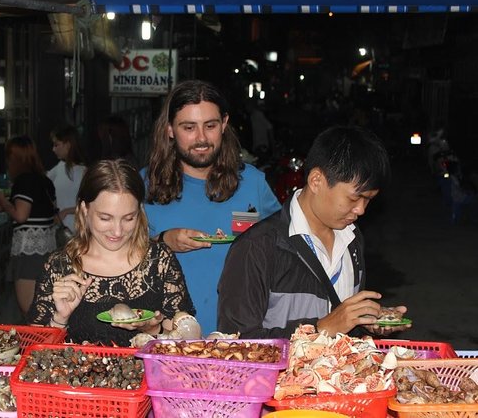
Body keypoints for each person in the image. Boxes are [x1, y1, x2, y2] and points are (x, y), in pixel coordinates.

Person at [218, 125, 410, 338]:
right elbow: (236, 344)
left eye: (368, 200)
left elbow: (342, 330)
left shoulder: (352, 240)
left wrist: (364, 322)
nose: (361, 210)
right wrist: (319, 330)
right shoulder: (256, 247)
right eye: (355, 198)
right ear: (316, 180)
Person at [142, 80, 281, 333]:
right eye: (188, 127)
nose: (202, 138)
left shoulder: (253, 184)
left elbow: (286, 251)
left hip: (243, 341)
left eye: (210, 126)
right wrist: (162, 241)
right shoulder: (142, 187)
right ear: (170, 129)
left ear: (224, 124)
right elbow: (113, 259)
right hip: (167, 342)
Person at [28, 159, 195, 346]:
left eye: (128, 218)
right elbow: (34, 351)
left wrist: (153, 330)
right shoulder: (58, 266)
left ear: (139, 212)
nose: (117, 231)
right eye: (105, 218)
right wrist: (60, 318)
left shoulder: (159, 261)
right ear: (84, 210)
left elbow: (186, 344)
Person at [0, 135, 56, 316]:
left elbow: (20, 215)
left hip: (29, 253)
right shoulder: (46, 182)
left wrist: (2, 200)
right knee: (42, 308)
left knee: (31, 312)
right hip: (47, 250)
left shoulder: (24, 181)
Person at [47, 125, 87, 233]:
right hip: (59, 228)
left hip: (77, 229)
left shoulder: (83, 171)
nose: (53, 149)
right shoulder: (58, 168)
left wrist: (66, 211)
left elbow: (89, 204)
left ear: (68, 145)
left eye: (56, 145)